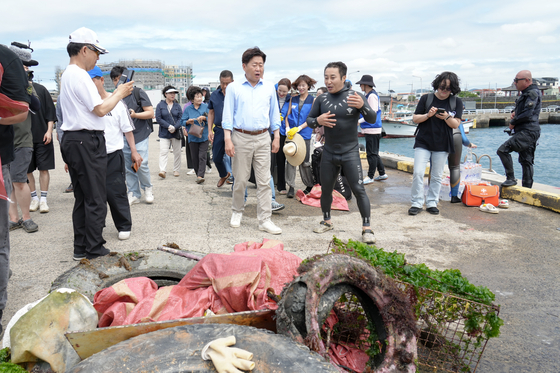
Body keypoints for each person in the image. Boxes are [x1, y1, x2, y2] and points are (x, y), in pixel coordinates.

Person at [59, 27, 134, 260]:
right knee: (96, 197)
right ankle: (94, 248)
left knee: (83, 196)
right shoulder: (80, 75)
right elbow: (101, 109)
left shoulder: (67, 74)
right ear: (84, 50)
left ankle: (81, 247)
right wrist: (119, 93)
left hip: (74, 139)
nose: (98, 57)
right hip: (86, 139)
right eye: (96, 52)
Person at [306, 61, 377, 244]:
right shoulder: (321, 99)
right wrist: (319, 120)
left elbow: (372, 118)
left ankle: (367, 228)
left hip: (350, 152)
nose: (328, 81)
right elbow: (310, 120)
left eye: (333, 77)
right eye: (326, 77)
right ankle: (327, 221)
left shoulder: (355, 96)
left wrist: (363, 105)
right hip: (329, 152)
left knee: (359, 189)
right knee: (326, 190)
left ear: (343, 78)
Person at [222, 47, 282, 234]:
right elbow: (227, 115)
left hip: (264, 137)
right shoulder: (234, 87)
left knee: (264, 180)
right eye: (254, 65)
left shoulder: (269, 87)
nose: (258, 68)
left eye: (261, 65)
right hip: (240, 137)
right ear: (244, 66)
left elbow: (274, 114)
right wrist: (227, 139)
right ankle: (237, 210)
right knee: (240, 179)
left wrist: (276, 136)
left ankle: (265, 219)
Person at [88, 66, 142, 240]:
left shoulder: (117, 102)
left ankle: (124, 224)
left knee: (116, 191)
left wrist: (134, 151)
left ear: (101, 80)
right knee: (93, 193)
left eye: (93, 80)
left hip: (113, 154)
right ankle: (98, 225)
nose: (89, 84)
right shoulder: (86, 103)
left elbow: (127, 130)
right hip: (90, 155)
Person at [0, 43, 31, 336]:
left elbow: (24, 112)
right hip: (11, 152)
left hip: (14, 149)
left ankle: (24, 215)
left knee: (18, 181)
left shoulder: (6, 61)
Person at [409, 72, 462, 216]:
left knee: (437, 175)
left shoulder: (456, 102)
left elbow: (455, 124)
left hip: (443, 142)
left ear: (453, 89)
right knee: (418, 172)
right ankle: (417, 202)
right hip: (423, 141)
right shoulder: (427, 98)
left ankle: (432, 202)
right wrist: (428, 115)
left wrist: (446, 117)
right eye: (442, 87)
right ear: (437, 84)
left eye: (448, 89)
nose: (444, 91)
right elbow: (415, 118)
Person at [110, 66, 154, 205]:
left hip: (139, 134)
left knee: (141, 163)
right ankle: (134, 192)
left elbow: (150, 113)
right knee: (128, 166)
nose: (118, 82)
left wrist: (135, 115)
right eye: (115, 80)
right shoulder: (113, 96)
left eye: (120, 78)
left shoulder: (137, 92)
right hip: (122, 136)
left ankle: (147, 188)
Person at [6, 43, 38, 233]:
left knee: (19, 180)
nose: (26, 69)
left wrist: (24, 83)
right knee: (7, 182)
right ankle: (14, 218)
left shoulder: (27, 85)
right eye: (23, 65)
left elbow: (35, 106)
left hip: (21, 141)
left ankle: (26, 217)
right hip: (5, 141)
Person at [497, 70, 541, 188]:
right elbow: (523, 110)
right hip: (528, 131)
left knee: (503, 150)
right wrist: (514, 112)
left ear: (527, 80)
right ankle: (527, 189)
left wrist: (512, 123)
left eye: (517, 80)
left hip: (528, 131)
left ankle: (511, 178)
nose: (515, 83)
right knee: (526, 161)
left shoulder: (532, 93)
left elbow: (528, 114)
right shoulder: (527, 93)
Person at [282, 74, 317, 197]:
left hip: (305, 135)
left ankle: (309, 185)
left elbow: (312, 119)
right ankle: (291, 186)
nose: (301, 88)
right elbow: (287, 116)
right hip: (292, 135)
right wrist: (287, 128)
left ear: (308, 86)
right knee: (291, 160)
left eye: (303, 85)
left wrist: (300, 128)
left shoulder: (312, 100)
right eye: (299, 85)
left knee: (305, 161)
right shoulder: (293, 99)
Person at [355, 74, 388, 184]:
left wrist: (358, 121)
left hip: (372, 128)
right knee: (374, 153)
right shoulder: (369, 95)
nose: (360, 87)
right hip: (372, 128)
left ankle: (370, 176)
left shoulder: (371, 96)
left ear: (365, 85)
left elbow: (372, 113)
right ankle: (382, 173)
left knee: (371, 154)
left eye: (361, 85)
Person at [208, 70, 233, 187]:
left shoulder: (236, 94)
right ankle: (223, 174)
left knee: (235, 159)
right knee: (217, 158)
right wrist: (209, 130)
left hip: (234, 131)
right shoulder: (214, 95)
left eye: (228, 83)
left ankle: (237, 187)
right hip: (219, 129)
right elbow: (211, 113)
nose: (225, 86)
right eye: (223, 83)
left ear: (232, 82)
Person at [181, 86, 209, 184]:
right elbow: (182, 121)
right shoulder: (188, 109)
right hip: (192, 136)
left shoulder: (206, 107)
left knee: (202, 156)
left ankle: (201, 175)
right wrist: (188, 122)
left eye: (201, 96)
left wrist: (205, 118)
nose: (200, 98)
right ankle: (198, 174)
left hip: (204, 136)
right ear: (192, 99)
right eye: (197, 97)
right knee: (195, 157)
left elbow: (211, 119)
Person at [156, 86, 183, 178]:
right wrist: (168, 126)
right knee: (163, 152)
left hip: (176, 133)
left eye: (174, 93)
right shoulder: (160, 105)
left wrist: (175, 127)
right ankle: (162, 170)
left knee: (177, 152)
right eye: (171, 93)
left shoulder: (177, 105)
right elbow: (158, 118)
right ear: (165, 94)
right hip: (164, 133)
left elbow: (181, 118)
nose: (173, 95)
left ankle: (176, 169)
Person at [449, 122, 476, 203]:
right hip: (455, 136)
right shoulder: (457, 121)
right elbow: (464, 140)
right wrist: (470, 144)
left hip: (438, 138)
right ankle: (454, 196)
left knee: (434, 167)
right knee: (455, 167)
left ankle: (432, 194)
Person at [275, 78, 291, 194]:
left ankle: (282, 185)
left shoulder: (291, 100)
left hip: (284, 132)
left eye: (284, 92)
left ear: (289, 91)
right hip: (271, 131)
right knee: (270, 159)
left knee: (282, 159)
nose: (281, 93)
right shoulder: (272, 97)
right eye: (279, 90)